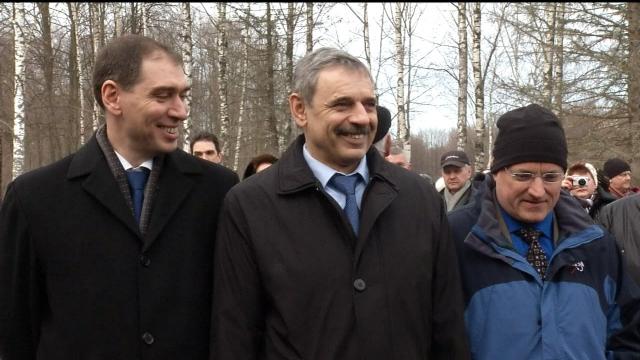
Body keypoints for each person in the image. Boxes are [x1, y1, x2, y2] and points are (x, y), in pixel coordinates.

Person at [213, 47, 470, 359]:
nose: (361, 118)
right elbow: (236, 335)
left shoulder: (420, 199)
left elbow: (448, 326)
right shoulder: (250, 205)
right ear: (299, 109)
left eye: (369, 104)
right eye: (342, 104)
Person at [0, 34, 239, 359]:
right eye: (163, 95)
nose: (181, 111)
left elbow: (234, 319)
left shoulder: (218, 190)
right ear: (112, 97)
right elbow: (15, 335)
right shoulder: (34, 199)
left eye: (183, 95)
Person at [447, 103, 640, 359]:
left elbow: (627, 337)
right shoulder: (455, 238)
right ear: (497, 173)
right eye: (523, 175)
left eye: (551, 177)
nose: (538, 191)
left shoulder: (597, 245)